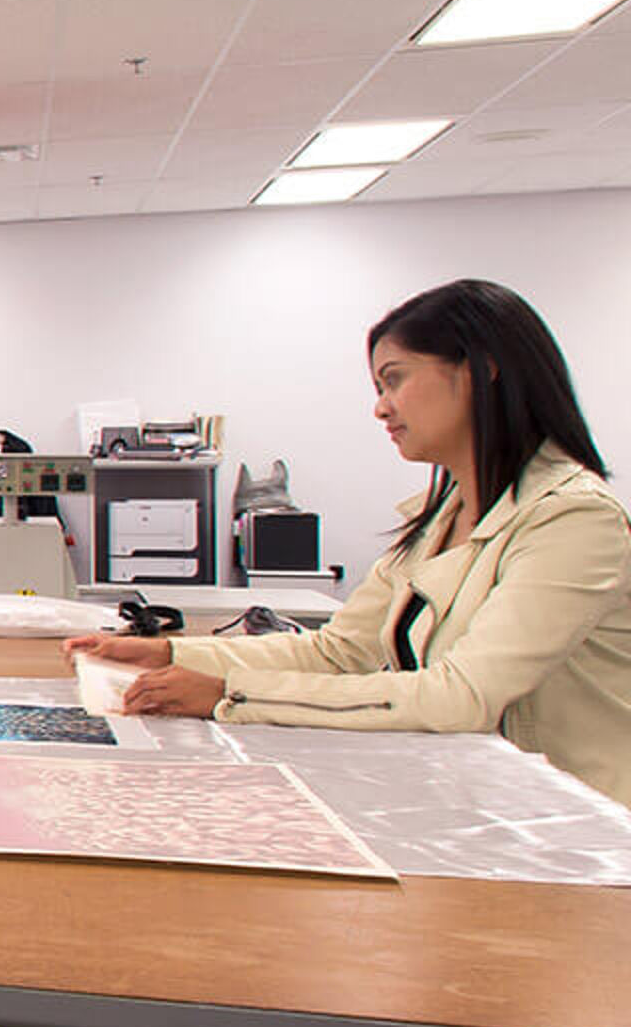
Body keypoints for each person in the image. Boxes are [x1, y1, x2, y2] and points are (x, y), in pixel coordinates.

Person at [72, 278, 631, 805]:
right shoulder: (438, 519)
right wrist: (168, 653)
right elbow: (337, 654)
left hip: (573, 830)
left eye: (395, 379)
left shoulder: (573, 519)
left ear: (481, 370)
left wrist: (228, 694)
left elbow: (462, 696)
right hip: (471, 795)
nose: (381, 407)